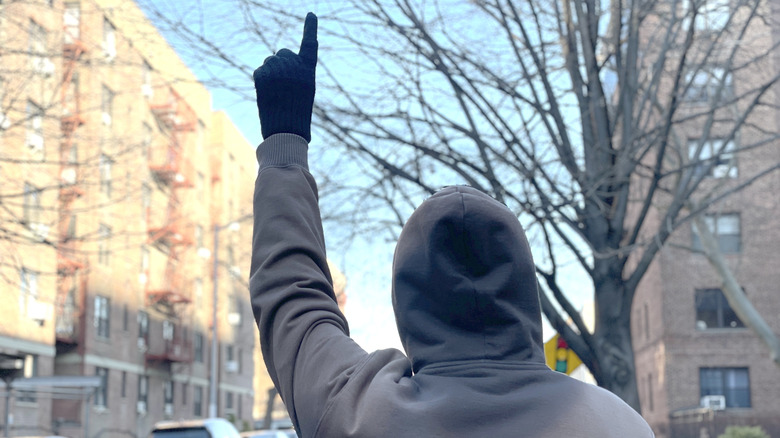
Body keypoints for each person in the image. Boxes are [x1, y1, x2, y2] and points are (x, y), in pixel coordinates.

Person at [250, 12, 655, 438]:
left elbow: (292, 296)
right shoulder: (618, 422)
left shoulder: (360, 412)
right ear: (522, 288)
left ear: (408, 297)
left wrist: (285, 144)